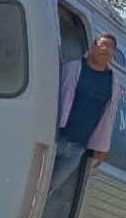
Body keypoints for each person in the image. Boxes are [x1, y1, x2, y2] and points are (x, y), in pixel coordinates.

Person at [49, 33, 122, 193]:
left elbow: (108, 117)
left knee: (49, 189)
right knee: (34, 183)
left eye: (110, 47)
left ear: (113, 53)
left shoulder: (113, 83)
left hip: (77, 148)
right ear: (93, 47)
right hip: (54, 136)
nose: (105, 49)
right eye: (102, 44)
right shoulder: (72, 68)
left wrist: (103, 147)